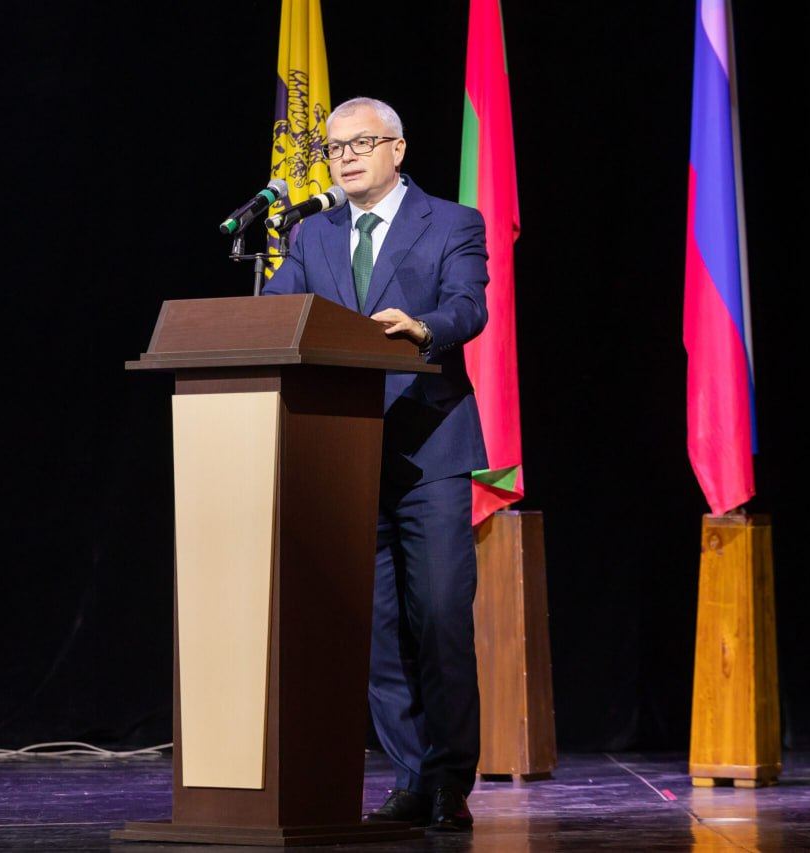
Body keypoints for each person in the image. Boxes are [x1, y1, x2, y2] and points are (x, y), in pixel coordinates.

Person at [262, 96, 488, 832]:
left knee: (441, 618)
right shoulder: (313, 233)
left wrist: (423, 327)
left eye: (362, 143)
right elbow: (277, 313)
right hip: (343, 454)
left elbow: (469, 306)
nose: (346, 157)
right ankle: (411, 778)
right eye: (335, 148)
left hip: (430, 450)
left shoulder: (451, 222)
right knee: (377, 631)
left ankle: (449, 780)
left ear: (398, 149)